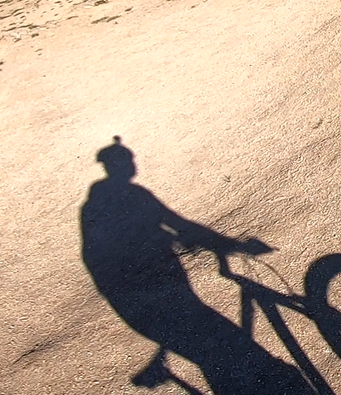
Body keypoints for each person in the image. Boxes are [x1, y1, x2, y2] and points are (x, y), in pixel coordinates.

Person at [80, 136, 310, 394]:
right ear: (118, 166)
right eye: (128, 160)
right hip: (157, 295)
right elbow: (180, 226)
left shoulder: (93, 207)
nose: (133, 165)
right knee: (237, 357)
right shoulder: (132, 196)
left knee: (219, 355)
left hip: (132, 302)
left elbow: (116, 248)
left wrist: (172, 240)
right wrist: (235, 246)